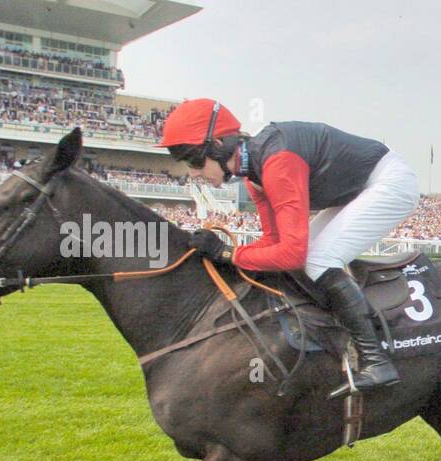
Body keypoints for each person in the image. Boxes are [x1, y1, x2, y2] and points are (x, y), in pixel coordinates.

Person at [158, 98, 420, 396]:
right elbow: (273, 243)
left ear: (218, 145)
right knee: (309, 259)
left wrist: (227, 253)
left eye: (194, 162)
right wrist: (228, 258)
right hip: (357, 189)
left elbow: (292, 252)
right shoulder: (253, 176)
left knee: (318, 259)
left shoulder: (277, 161)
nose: (193, 173)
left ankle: (377, 360)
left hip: (389, 182)